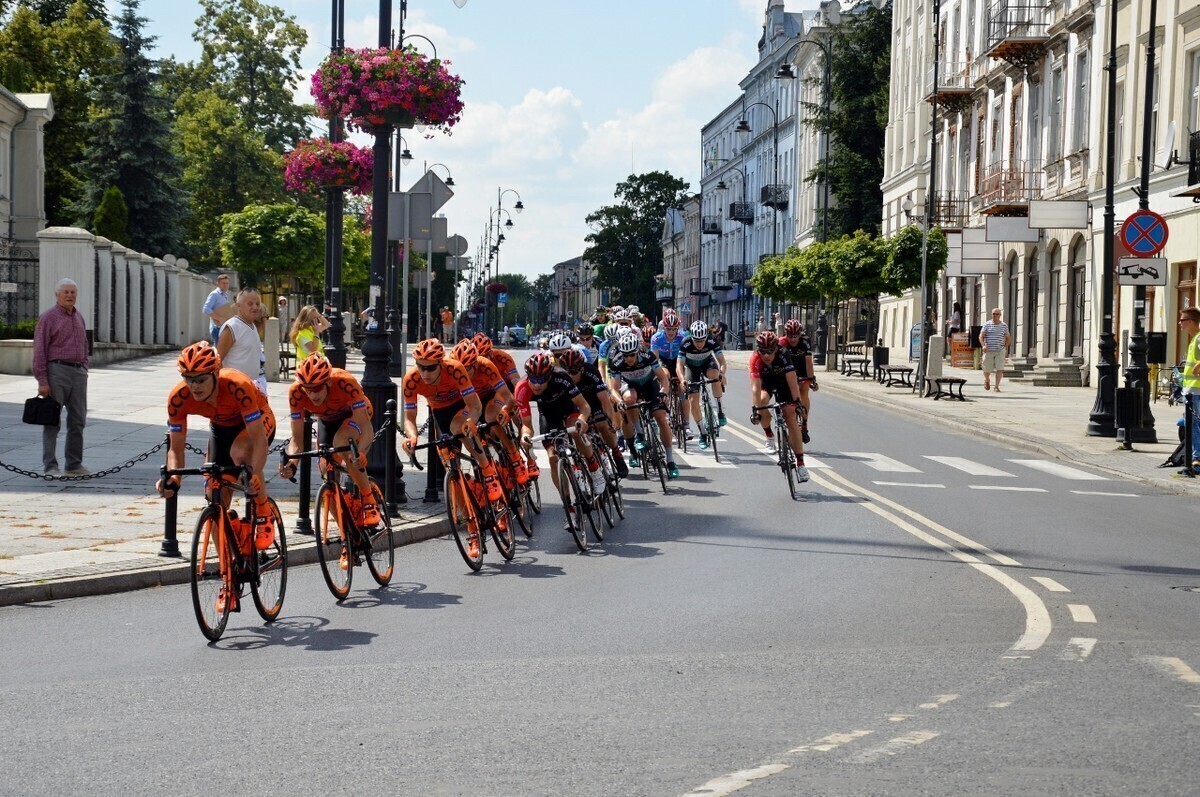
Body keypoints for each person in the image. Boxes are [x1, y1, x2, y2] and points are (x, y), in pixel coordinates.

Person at [157, 343, 277, 612]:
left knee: (240, 454)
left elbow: (258, 440)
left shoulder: (237, 385)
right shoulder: (178, 398)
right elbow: (175, 450)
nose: (194, 386)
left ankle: (263, 510)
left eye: (200, 379)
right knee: (215, 497)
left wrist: (255, 475)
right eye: (188, 380)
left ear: (216, 372)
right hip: (221, 430)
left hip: (255, 424)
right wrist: (172, 480)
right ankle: (229, 579)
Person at [280, 356, 379, 530]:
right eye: (307, 389)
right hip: (327, 420)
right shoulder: (296, 393)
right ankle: (347, 537)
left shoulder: (344, 381)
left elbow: (366, 428)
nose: (312, 394)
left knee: (342, 442)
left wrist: (361, 452)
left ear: (328, 383)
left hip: (353, 415)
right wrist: (292, 463)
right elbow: (297, 438)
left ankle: (369, 499)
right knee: (327, 473)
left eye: (317, 388)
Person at [514, 352, 608, 520]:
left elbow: (584, 406)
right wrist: (525, 437)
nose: (537, 385)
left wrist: (582, 419)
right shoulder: (521, 389)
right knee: (553, 457)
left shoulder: (562, 377)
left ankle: (594, 469)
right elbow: (527, 425)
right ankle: (568, 506)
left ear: (550, 376)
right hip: (548, 415)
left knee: (576, 430)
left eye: (542, 380)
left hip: (568, 407)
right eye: (533, 380)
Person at [33, 278, 90, 476]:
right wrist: (42, 380)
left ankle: (74, 465)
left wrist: (84, 367)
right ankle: (50, 466)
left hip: (78, 373)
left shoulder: (79, 317)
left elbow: (84, 344)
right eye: (65, 292)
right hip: (56, 371)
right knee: (52, 421)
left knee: (78, 420)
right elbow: (39, 349)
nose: (69, 295)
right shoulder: (48, 317)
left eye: (73, 292)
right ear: (57, 295)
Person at [608, 332, 679, 479]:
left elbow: (663, 379)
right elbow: (614, 389)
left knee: (661, 418)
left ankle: (670, 461)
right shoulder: (617, 362)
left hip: (649, 384)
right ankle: (639, 434)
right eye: (625, 355)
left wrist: (663, 392)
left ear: (637, 351)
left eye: (632, 355)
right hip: (630, 386)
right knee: (629, 399)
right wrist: (619, 401)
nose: (628, 359)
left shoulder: (648, 356)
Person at [748, 331, 809, 482]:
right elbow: (755, 388)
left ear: (776, 348)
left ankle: (800, 464)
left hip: (784, 384)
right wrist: (756, 410)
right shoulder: (755, 359)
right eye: (763, 351)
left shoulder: (783, 354)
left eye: (769, 351)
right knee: (762, 403)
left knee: (790, 417)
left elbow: (792, 380)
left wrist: (797, 401)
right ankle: (769, 435)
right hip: (766, 384)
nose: (766, 356)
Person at [677, 320, 727, 449]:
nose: (699, 344)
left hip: (707, 364)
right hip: (692, 368)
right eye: (696, 341)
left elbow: (722, 362)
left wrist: (722, 374)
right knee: (693, 401)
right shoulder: (686, 343)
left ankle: (720, 411)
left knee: (715, 376)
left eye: (702, 340)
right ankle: (703, 433)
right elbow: (679, 365)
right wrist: (682, 379)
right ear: (691, 337)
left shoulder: (712, 341)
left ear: (706, 337)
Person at [217, 288, 267, 395]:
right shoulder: (232, 327)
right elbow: (217, 361)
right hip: (234, 391)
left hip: (250, 389)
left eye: (257, 304)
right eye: (250, 304)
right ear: (238, 305)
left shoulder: (252, 326)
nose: (255, 307)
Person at [781, 319, 817, 444]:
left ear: (800, 334)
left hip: (802, 369)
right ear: (786, 334)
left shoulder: (805, 341)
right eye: (790, 336)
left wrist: (812, 379)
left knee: (804, 389)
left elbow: (809, 363)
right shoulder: (782, 343)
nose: (792, 339)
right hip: (788, 370)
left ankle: (804, 424)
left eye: (795, 336)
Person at [1179, 307, 1200, 468]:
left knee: (1194, 426)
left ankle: (1196, 459)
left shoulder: (1198, 339)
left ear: (1192, 322)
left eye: (1183, 320)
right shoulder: (1194, 339)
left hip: (1196, 393)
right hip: (1192, 391)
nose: (1180, 323)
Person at [979, 307, 1011, 392]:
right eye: (994, 314)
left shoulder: (1004, 325)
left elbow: (1008, 337)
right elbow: (981, 336)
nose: (995, 315)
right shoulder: (987, 324)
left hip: (999, 350)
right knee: (986, 369)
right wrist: (983, 346)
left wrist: (1005, 347)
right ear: (991, 314)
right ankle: (987, 380)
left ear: (1000, 315)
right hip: (988, 350)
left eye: (997, 314)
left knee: (1000, 368)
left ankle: (996, 386)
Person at [202, 273, 234, 346]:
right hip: (217, 327)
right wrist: (220, 318)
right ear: (218, 284)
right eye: (223, 283)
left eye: (227, 283)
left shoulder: (225, 294)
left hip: (223, 326)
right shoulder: (214, 294)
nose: (225, 285)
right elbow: (206, 308)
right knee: (219, 351)